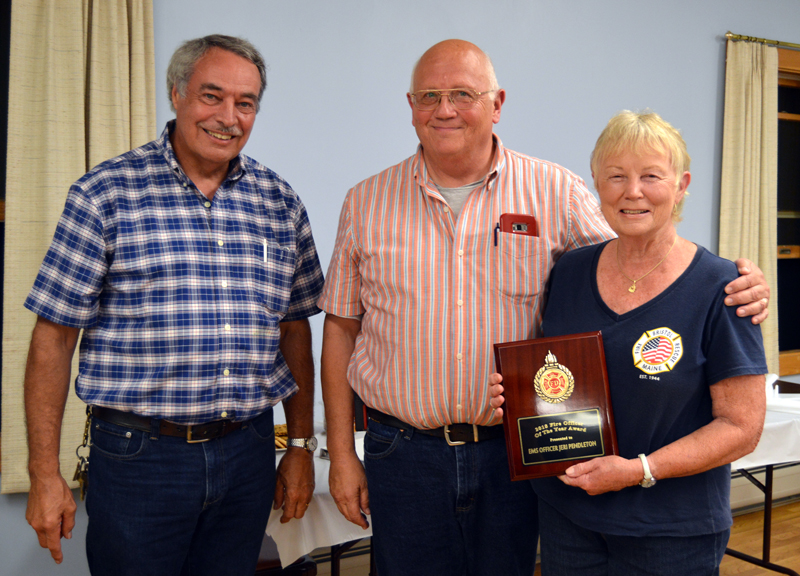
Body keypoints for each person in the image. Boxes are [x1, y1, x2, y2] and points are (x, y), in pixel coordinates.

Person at [318, 39, 769, 576]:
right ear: (411, 105)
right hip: (403, 453)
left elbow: (640, 248)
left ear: (496, 102)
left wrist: (737, 282)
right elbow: (342, 328)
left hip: (517, 456)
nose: (445, 109)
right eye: (429, 96)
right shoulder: (366, 201)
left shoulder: (554, 190)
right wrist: (342, 453)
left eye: (463, 93)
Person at [23, 34, 324, 575]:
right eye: (212, 96)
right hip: (140, 457)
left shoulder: (279, 202)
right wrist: (45, 471)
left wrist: (299, 445)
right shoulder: (104, 194)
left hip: (247, 453)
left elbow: (294, 328)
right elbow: (54, 335)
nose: (228, 117)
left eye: (245, 102)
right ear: (177, 94)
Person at [489, 110, 767, 576]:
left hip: (670, 531)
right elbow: (557, 376)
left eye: (651, 176)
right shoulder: (570, 271)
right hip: (568, 516)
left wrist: (640, 470)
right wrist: (520, 398)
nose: (632, 191)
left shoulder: (723, 287)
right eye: (616, 176)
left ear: (681, 185)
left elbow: (742, 427)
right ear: (597, 184)